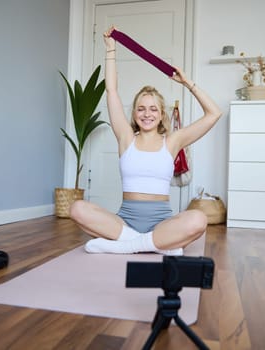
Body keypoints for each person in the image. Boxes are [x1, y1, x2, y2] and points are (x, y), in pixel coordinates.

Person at [70, 26, 222, 255]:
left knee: (198, 219)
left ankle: (127, 246)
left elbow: (214, 114)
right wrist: (110, 50)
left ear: (162, 114)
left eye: (153, 109)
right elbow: (111, 91)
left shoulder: (172, 141)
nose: (147, 114)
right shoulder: (126, 138)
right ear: (134, 114)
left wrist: (187, 83)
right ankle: (152, 244)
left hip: (161, 225)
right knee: (77, 208)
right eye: (141, 108)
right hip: (124, 223)